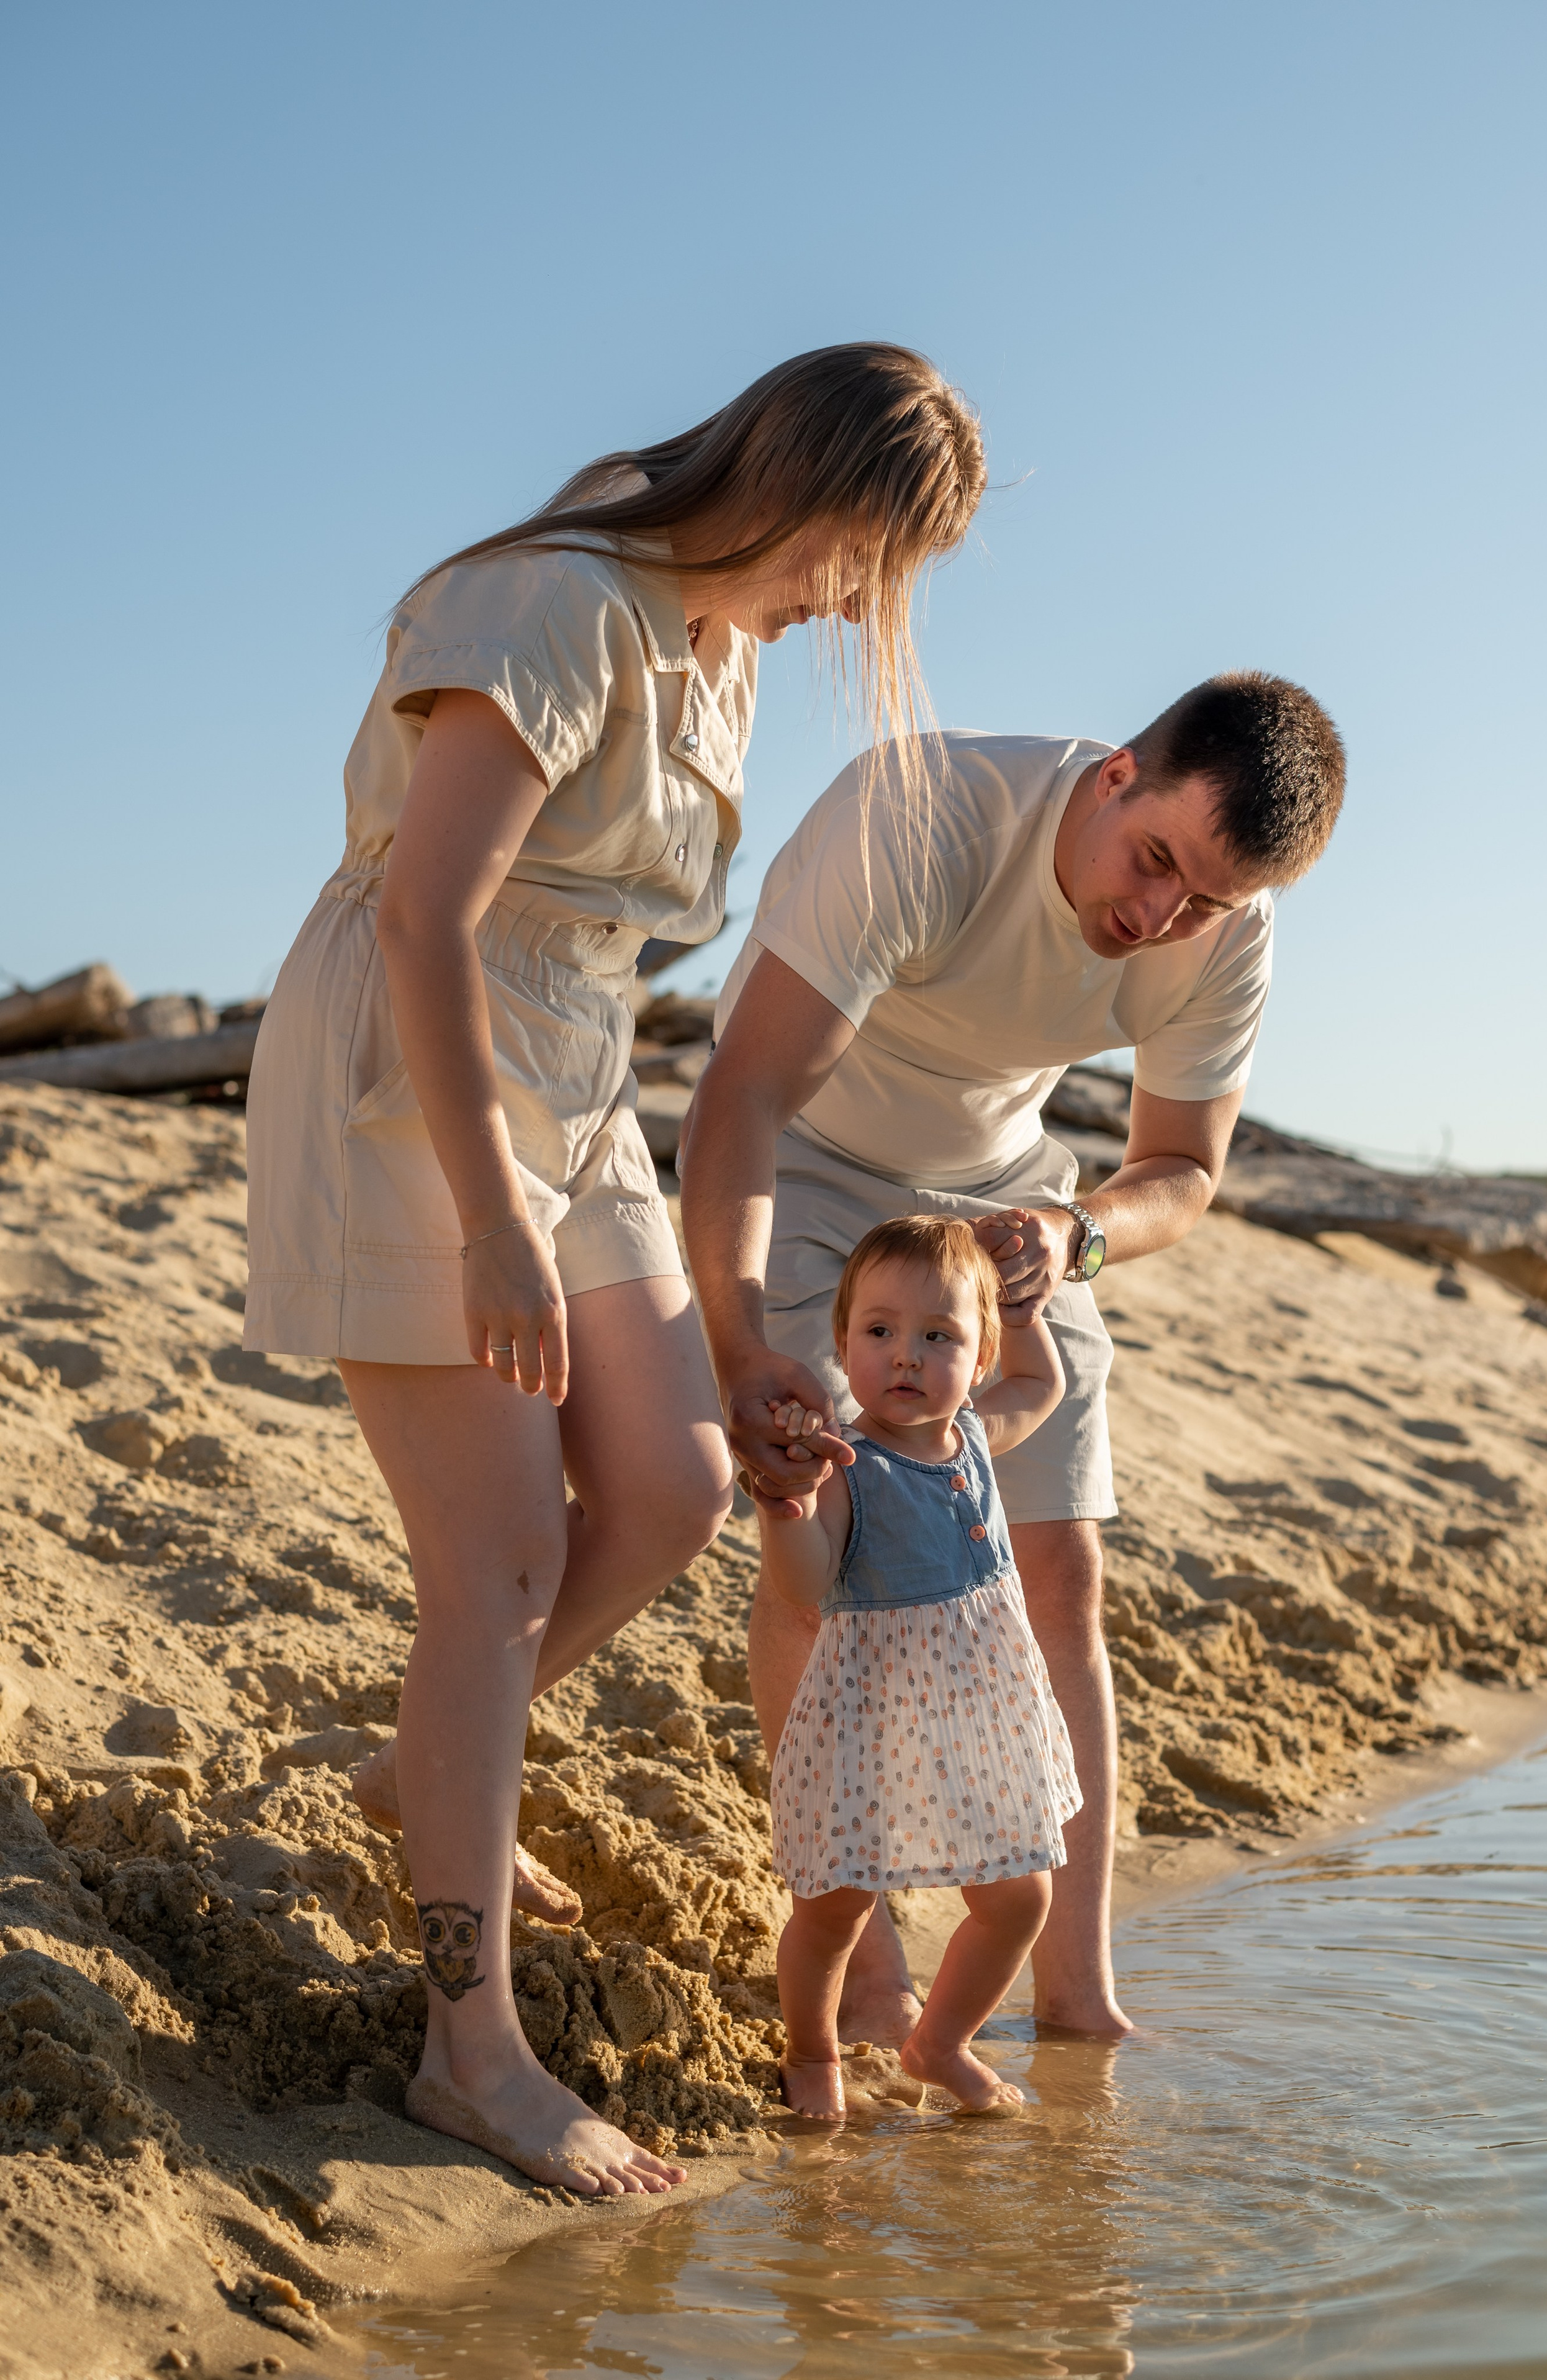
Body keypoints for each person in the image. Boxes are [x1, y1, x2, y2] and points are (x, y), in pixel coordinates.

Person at [241, 344, 986, 2194]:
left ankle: (428, 1770)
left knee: (674, 1481)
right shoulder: (564, 601)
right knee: (495, 1568)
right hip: (419, 1055)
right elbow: (427, 917)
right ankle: (469, 2051)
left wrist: (725, 1327)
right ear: (799, 486)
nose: (854, 608)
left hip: (576, 1067)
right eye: (862, 562)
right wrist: (493, 1215)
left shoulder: (718, 651)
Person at [682, 672, 1346, 2045]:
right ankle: (866, 1979)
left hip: (1002, 1194)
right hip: (806, 1152)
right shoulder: (927, 815)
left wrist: (1074, 1232)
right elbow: (743, 1091)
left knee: (1060, 1567)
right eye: (1153, 860)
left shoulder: (1225, 925)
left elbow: (1181, 1169)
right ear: (1114, 776)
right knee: (826, 1550)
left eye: (1204, 903)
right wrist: (738, 1340)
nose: (1158, 917)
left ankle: (1075, 1992)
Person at [759, 1215, 1081, 2119]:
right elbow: (806, 1585)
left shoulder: (974, 1432)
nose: (906, 1354)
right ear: (843, 1344)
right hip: (873, 1719)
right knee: (837, 1905)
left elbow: (1043, 1382)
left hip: (979, 1719)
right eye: (880, 1330)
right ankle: (811, 2048)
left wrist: (1021, 1309)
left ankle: (939, 2043)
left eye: (940, 1336)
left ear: (978, 1361)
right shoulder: (843, 1463)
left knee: (1020, 1897)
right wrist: (787, 1504)